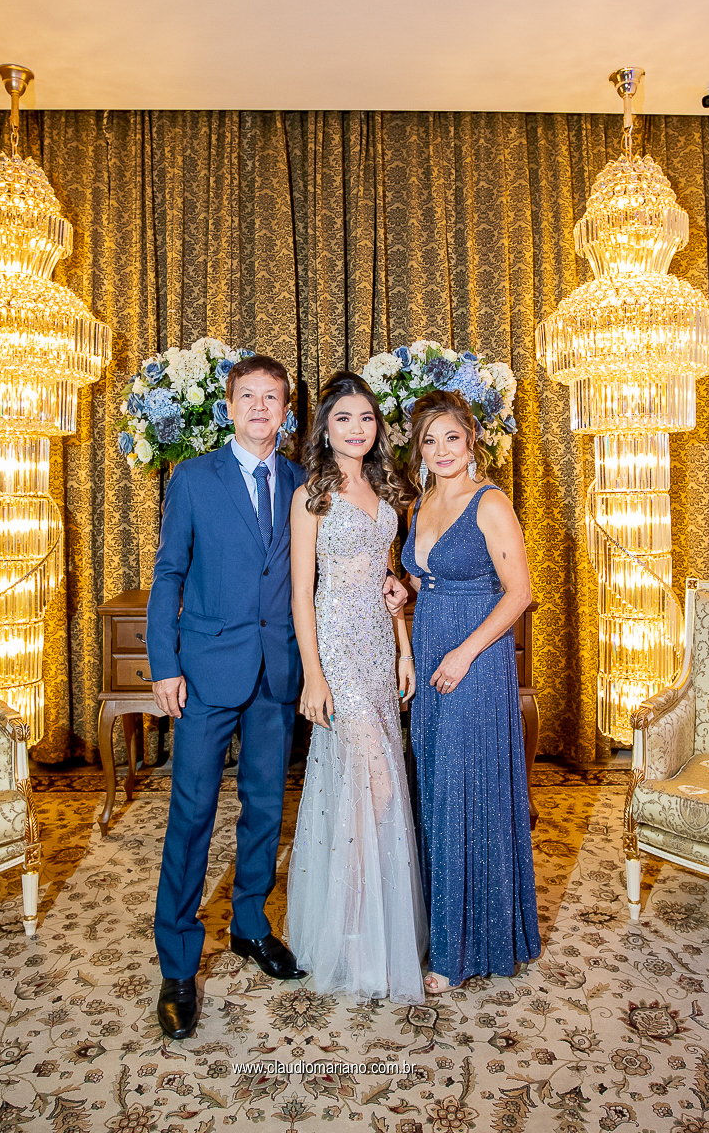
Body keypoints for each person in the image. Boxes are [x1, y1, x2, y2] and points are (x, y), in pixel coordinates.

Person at [146, 355, 408, 1039]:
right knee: (192, 814)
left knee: (265, 808)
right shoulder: (193, 478)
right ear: (230, 406)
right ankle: (178, 965)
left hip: (278, 671)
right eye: (248, 396)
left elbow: (331, 567)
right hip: (206, 672)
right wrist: (164, 665)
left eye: (272, 397)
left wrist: (390, 584)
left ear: (288, 412)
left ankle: (250, 925)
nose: (260, 407)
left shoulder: (305, 481)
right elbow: (168, 573)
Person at [286, 371, 428, 1003]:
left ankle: (370, 930)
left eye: (366, 418)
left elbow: (389, 577)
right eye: (343, 418)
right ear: (325, 428)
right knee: (374, 780)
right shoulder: (311, 495)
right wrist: (313, 675)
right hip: (337, 649)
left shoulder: (385, 488)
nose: (356, 428)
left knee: (371, 785)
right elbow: (301, 593)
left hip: (378, 646)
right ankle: (348, 930)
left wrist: (404, 649)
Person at [400, 389, 540, 992]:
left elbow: (519, 592)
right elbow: (426, 577)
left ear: (471, 440)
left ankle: (459, 952)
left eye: (451, 438)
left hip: (474, 660)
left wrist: (463, 653)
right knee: (435, 788)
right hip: (432, 650)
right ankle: (447, 929)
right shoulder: (423, 502)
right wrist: (403, 591)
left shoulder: (491, 502)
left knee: (465, 791)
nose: (441, 450)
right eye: (429, 440)